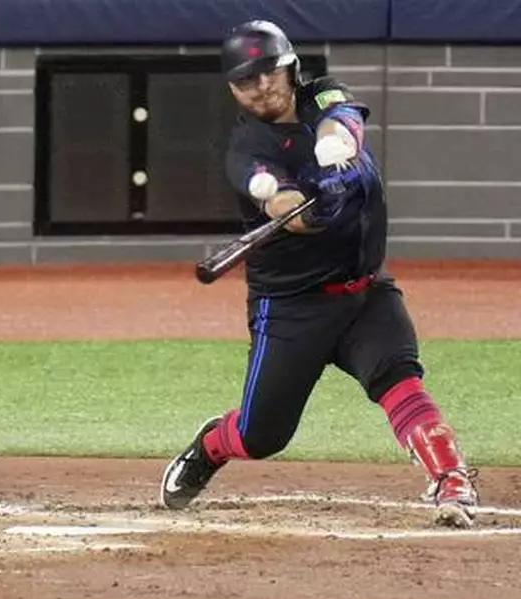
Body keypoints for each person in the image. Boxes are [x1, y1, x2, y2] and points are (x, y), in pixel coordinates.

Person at [158, 20, 479, 528]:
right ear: (233, 90)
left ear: (290, 68)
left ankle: (451, 478)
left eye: (269, 72)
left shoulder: (325, 96)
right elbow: (275, 198)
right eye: (247, 80)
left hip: (364, 292)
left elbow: (343, 123)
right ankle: (212, 445)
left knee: (398, 376)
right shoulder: (247, 150)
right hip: (291, 307)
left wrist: (334, 160)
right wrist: (310, 209)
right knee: (263, 437)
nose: (261, 86)